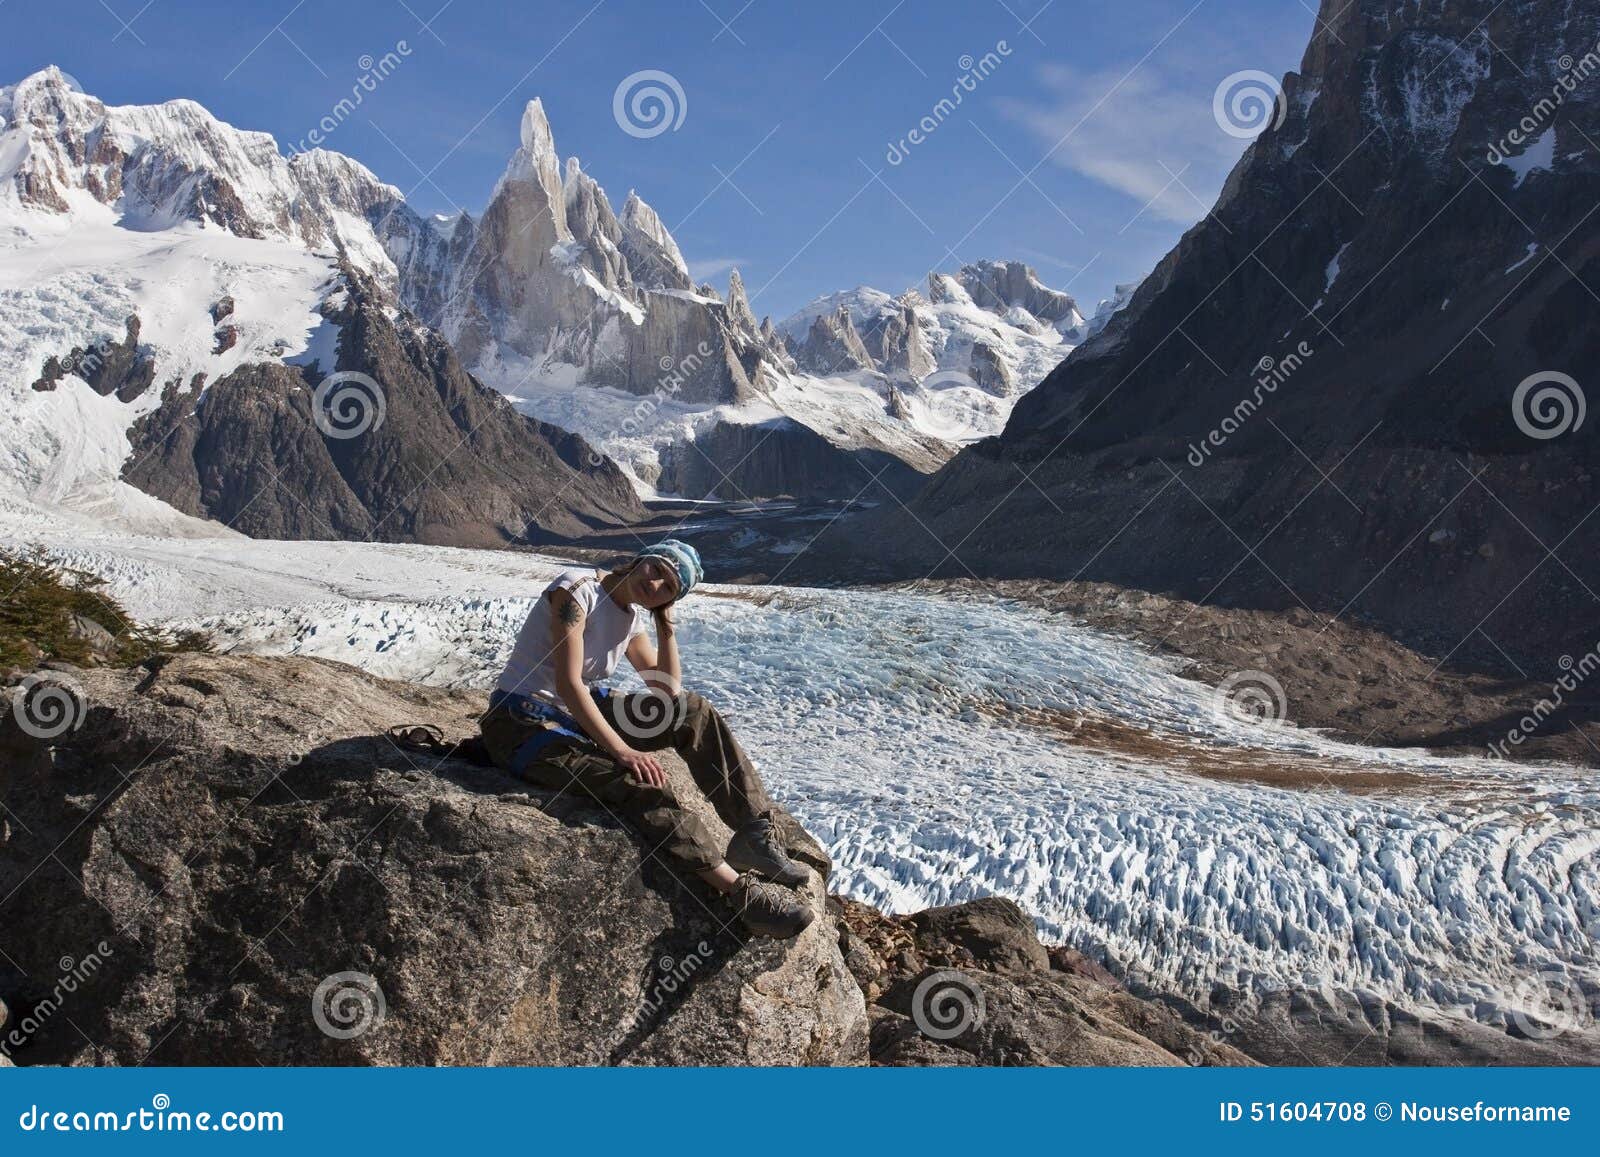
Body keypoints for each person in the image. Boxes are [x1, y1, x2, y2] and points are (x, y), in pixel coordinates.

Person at [479, 539, 814, 938]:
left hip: (577, 715)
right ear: (641, 560)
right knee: (640, 781)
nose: (655, 585)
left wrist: (664, 623)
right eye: (656, 570)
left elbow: (667, 692)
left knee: (693, 712)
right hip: (521, 721)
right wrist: (621, 750)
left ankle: (754, 834)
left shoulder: (630, 617)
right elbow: (569, 684)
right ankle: (741, 894)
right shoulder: (576, 590)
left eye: (669, 587)